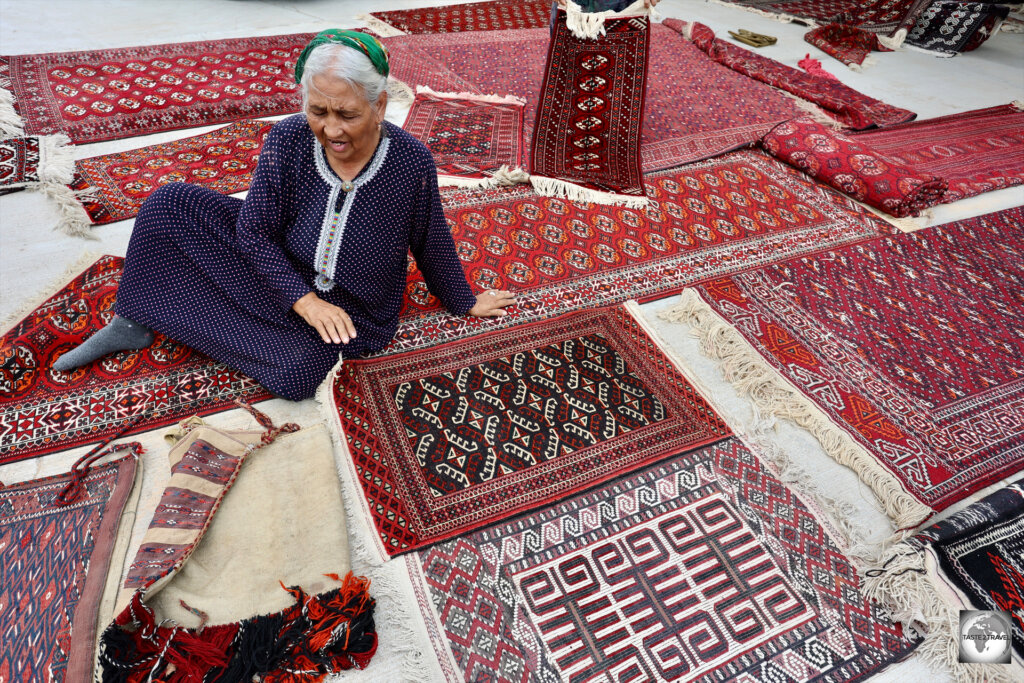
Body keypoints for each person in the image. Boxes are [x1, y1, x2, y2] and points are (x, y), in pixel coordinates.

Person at [53, 30, 516, 401]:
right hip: (282, 274)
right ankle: (134, 320)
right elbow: (253, 232)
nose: (331, 129)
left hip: (352, 310)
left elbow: (430, 238)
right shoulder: (289, 138)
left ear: (379, 106)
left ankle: (174, 311)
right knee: (168, 204)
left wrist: (462, 299)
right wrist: (304, 300)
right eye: (318, 110)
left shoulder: (409, 161)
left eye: (347, 114)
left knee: (298, 376)